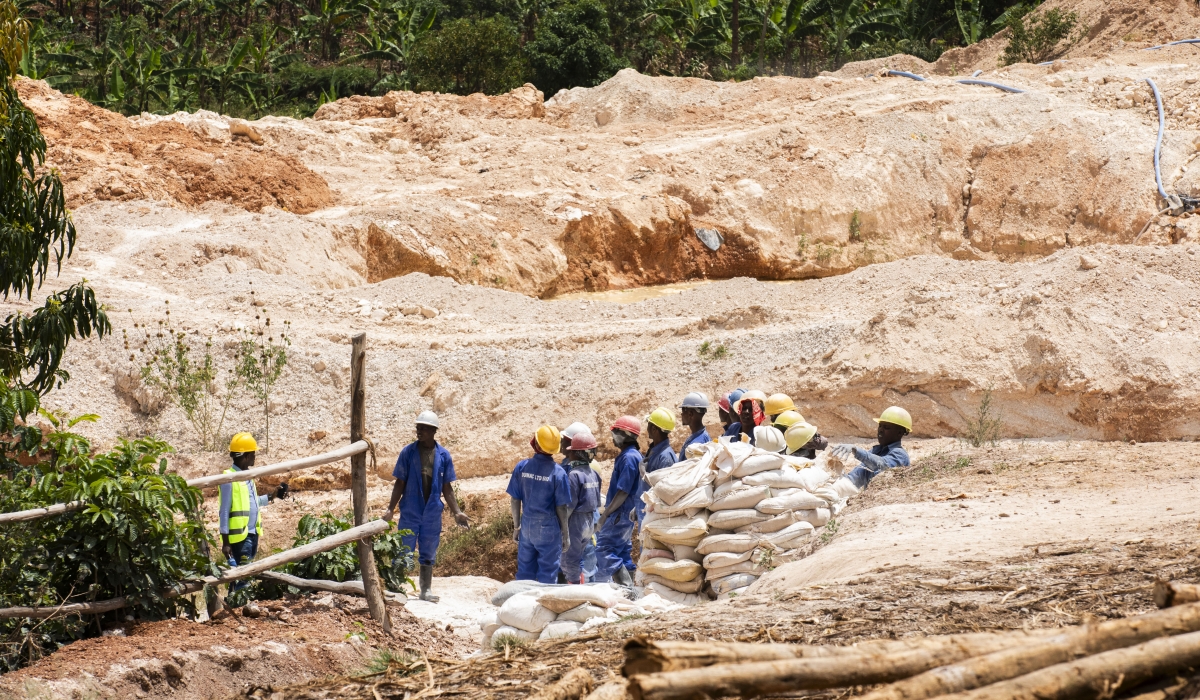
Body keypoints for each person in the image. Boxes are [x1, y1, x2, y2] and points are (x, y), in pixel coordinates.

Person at [384, 411, 470, 603]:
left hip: (432, 511)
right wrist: (391, 508)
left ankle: (426, 590)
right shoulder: (408, 452)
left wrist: (457, 512)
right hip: (411, 509)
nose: (418, 431)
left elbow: (447, 487)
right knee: (403, 548)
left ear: (433, 431)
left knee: (429, 550)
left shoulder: (443, 455)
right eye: (418, 428)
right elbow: (400, 482)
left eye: (422, 428)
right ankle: (394, 587)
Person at [219, 433, 288, 590]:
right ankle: (239, 607)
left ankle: (236, 605)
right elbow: (224, 511)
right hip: (240, 537)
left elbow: (252, 502)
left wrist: (272, 496)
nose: (255, 457)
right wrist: (225, 542)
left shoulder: (247, 476)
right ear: (245, 456)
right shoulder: (229, 478)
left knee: (241, 576)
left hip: (251, 533)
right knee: (242, 579)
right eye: (253, 453)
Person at [507, 425, 572, 584]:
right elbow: (561, 507)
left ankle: (522, 604)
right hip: (548, 529)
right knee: (548, 572)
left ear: (535, 442)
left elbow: (515, 499)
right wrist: (565, 533)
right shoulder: (558, 473)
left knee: (524, 571)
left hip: (527, 525)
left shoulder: (522, 467)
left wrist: (517, 527)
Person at [595, 415, 642, 586]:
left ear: (625, 434)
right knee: (622, 552)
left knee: (604, 549)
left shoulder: (629, 458)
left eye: (615, 432)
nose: (612, 436)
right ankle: (631, 593)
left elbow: (623, 491)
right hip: (625, 513)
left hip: (619, 514)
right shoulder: (631, 456)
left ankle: (627, 588)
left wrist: (605, 514)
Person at [833, 406, 912, 490]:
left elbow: (882, 465)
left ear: (899, 433)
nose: (881, 430)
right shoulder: (876, 451)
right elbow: (857, 475)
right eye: (880, 426)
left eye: (886, 427)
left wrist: (856, 450)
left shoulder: (900, 454)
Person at [559, 432, 601, 584]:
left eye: (571, 451)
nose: (568, 454)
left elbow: (569, 507)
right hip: (589, 522)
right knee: (577, 560)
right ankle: (582, 585)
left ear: (577, 454)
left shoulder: (574, 475)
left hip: (576, 522)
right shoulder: (594, 474)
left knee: (569, 561)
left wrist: (562, 528)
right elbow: (596, 502)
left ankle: (575, 592)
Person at [635, 408, 677, 523]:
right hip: (645, 511)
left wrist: (645, 474)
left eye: (649, 424)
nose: (647, 427)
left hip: (654, 518)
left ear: (654, 429)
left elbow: (664, 491)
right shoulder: (655, 450)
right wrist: (637, 508)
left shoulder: (666, 457)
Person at [677, 393, 712, 458]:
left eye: (683, 410)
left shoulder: (696, 444)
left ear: (690, 414)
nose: (681, 414)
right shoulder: (701, 436)